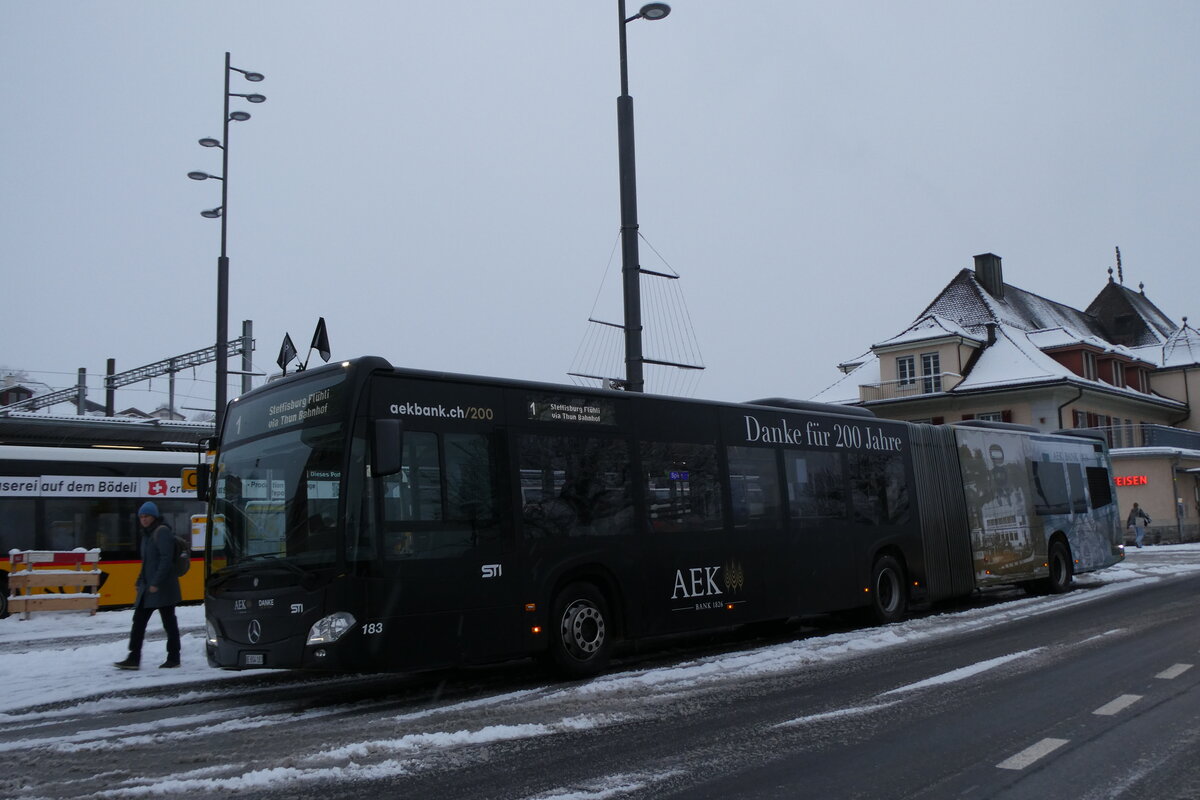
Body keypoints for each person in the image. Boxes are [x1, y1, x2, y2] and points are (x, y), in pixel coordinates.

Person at [114, 501, 182, 669]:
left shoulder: (162, 532)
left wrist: (155, 583)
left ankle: (174, 658)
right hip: (149, 587)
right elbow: (147, 562)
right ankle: (134, 657)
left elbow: (166, 561)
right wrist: (139, 580)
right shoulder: (146, 535)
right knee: (138, 621)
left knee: (169, 623)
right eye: (141, 517)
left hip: (163, 587)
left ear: (154, 517)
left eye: (147, 516)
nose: (143, 519)